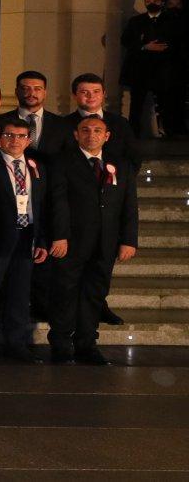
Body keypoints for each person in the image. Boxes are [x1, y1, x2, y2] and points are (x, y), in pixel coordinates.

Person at [46, 116, 138, 365]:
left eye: (98, 130)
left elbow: (129, 205)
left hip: (105, 242)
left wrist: (129, 239)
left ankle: (87, 344)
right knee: (65, 292)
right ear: (76, 134)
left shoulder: (121, 164)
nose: (91, 134)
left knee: (95, 294)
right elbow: (58, 202)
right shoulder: (62, 162)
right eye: (85, 130)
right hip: (71, 241)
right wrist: (59, 236)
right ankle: (61, 344)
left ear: (107, 136)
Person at [0, 117, 52, 363]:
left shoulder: (35, 165)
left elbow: (42, 205)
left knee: (19, 293)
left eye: (20, 136)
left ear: (28, 140)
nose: (15, 141)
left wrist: (42, 240)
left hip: (27, 235)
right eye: (9, 135)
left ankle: (16, 343)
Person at [118, 0, 178, 137]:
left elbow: (179, 41)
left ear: (162, 2)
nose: (152, 3)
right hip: (141, 69)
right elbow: (125, 41)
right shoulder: (136, 21)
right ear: (144, 3)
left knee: (166, 102)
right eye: (149, 1)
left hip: (164, 69)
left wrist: (165, 47)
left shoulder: (173, 21)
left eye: (156, 1)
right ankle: (133, 133)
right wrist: (144, 46)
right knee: (137, 103)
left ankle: (169, 133)